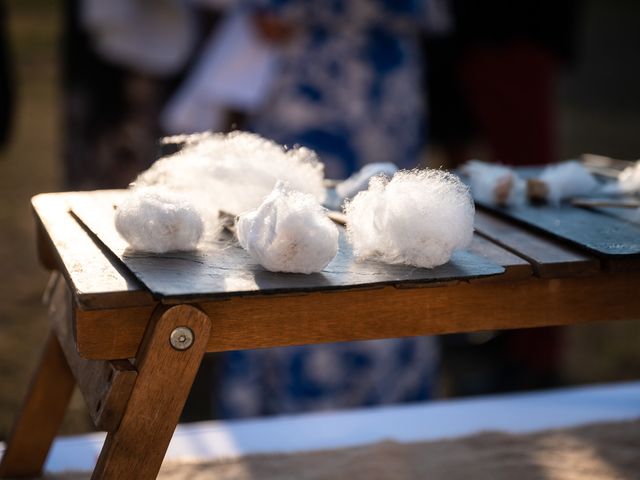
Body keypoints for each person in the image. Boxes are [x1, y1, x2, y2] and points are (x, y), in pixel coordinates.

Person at [214, 0, 447, 418]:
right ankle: (301, 401)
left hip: (347, 81)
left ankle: (370, 400)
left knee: (385, 232)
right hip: (324, 77)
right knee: (289, 236)